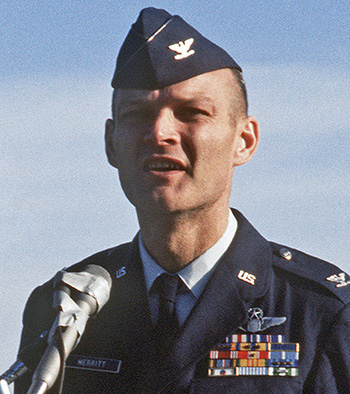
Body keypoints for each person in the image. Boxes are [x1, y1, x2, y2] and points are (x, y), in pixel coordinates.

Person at [15, 7, 350, 394]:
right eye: (138, 114)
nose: (160, 133)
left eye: (192, 112)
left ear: (245, 140)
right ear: (111, 144)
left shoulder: (320, 312)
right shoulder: (66, 307)